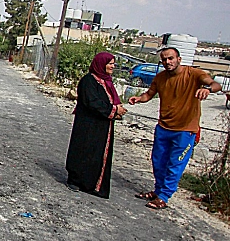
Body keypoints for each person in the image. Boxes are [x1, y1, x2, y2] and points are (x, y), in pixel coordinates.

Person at [129, 47, 223, 210]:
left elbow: (216, 84)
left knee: (175, 164)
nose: (167, 62)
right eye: (164, 59)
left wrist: (206, 89)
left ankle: (164, 196)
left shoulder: (194, 74)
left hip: (185, 130)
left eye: (171, 58)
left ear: (179, 59)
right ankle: (158, 191)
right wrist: (139, 98)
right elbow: (149, 94)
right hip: (164, 126)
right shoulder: (160, 78)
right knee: (158, 161)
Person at [65, 52, 127, 198]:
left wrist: (117, 110)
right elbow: (92, 102)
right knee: (83, 149)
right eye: (110, 63)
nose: (113, 66)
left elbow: (109, 101)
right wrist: (114, 109)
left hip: (103, 126)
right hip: (87, 124)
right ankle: (75, 180)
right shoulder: (89, 81)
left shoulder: (107, 82)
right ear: (101, 64)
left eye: (113, 63)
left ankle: (92, 184)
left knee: (97, 153)